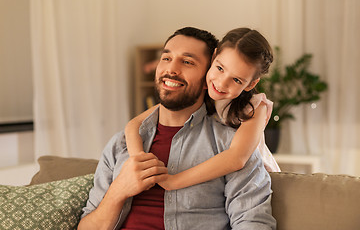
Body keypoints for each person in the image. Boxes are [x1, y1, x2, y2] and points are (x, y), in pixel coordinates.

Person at [78, 27, 276, 230]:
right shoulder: (120, 145)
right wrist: (118, 190)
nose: (171, 69)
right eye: (166, 58)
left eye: (188, 62)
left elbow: (253, 223)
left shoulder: (233, 142)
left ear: (206, 70)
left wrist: (173, 181)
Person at [125, 27, 280, 191]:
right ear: (213, 58)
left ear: (250, 84)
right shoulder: (202, 91)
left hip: (256, 182)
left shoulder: (255, 107)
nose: (221, 83)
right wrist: (140, 161)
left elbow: (237, 158)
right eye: (220, 69)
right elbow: (133, 125)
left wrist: (173, 182)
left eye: (236, 80)